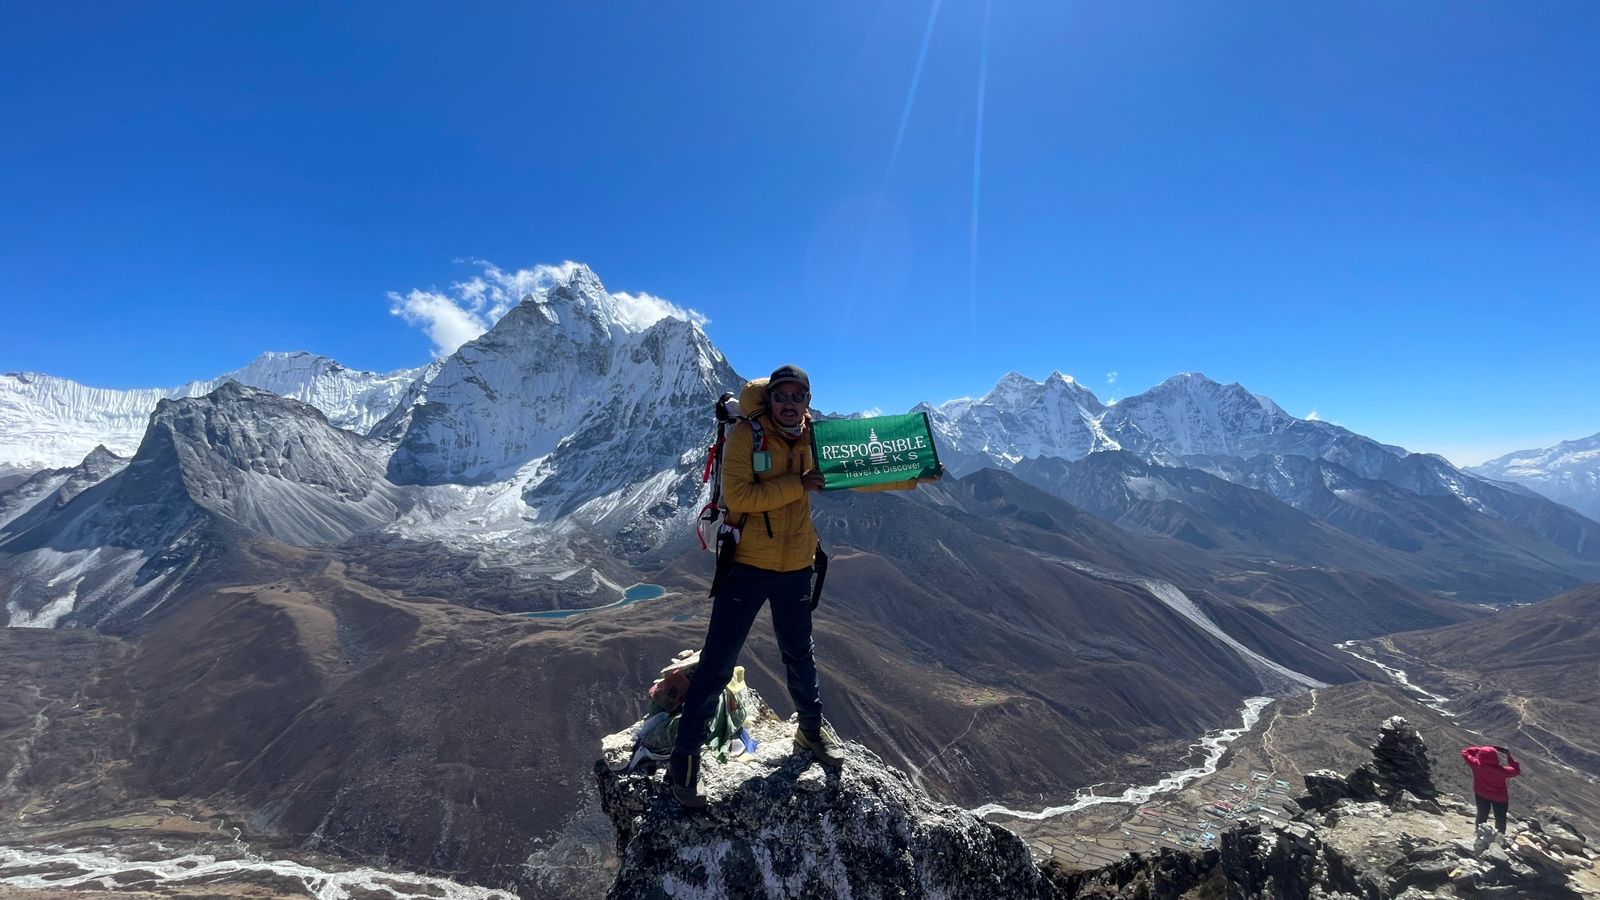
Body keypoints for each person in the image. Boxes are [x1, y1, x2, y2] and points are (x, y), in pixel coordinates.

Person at [666, 363, 939, 808]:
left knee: (799, 652)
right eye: (782, 397)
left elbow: (857, 470)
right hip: (747, 566)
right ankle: (685, 758)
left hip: (796, 564)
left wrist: (916, 475)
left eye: (798, 397)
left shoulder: (815, 435)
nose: (790, 405)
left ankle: (810, 731)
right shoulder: (745, 437)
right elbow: (740, 498)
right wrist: (800, 484)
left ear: (807, 402)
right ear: (770, 400)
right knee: (718, 661)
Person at [1461, 744, 1520, 832]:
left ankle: (1479, 831)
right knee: (1500, 818)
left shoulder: (1475, 764)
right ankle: (1500, 835)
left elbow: (1465, 752)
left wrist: (1481, 750)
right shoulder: (1502, 771)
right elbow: (1516, 770)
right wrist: (1509, 756)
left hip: (1481, 794)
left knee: (1482, 814)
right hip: (1499, 798)